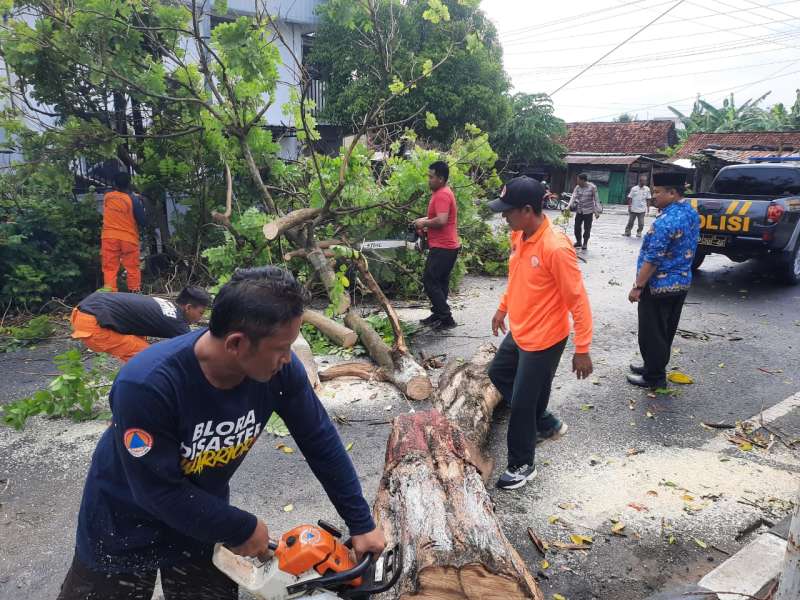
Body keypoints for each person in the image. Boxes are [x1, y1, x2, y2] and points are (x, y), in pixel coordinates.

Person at [57, 267, 386, 600]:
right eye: (281, 348)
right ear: (237, 344)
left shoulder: (280, 373)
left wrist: (361, 523)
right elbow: (157, 491)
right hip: (122, 525)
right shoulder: (147, 384)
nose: (288, 359)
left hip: (202, 519)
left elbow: (320, 441)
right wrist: (241, 528)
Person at [486, 177, 594, 490]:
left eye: (509, 211)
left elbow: (578, 300)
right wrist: (502, 308)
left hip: (545, 338)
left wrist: (583, 348)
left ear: (528, 210)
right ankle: (545, 422)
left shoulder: (556, 248)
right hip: (521, 329)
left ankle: (522, 464)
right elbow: (517, 278)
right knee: (499, 373)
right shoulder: (519, 236)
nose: (504, 216)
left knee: (520, 404)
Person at [627, 172, 700, 389]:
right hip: (681, 282)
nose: (653, 196)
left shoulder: (667, 220)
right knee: (665, 330)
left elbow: (653, 258)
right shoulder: (690, 212)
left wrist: (638, 286)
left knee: (652, 333)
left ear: (672, 192)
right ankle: (652, 366)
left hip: (659, 285)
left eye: (658, 192)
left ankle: (654, 377)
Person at [70, 286, 211, 362]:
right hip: (92, 323)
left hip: (83, 309)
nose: (201, 318)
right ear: (188, 307)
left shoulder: (166, 304)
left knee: (140, 345)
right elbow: (197, 352)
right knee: (150, 360)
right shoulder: (176, 322)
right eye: (200, 313)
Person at [414, 160, 460, 329]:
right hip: (446, 246)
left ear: (440, 178)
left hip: (444, 247)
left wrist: (424, 224)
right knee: (440, 282)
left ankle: (446, 317)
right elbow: (441, 217)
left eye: (431, 177)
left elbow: (441, 221)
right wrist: (422, 221)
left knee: (430, 280)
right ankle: (439, 314)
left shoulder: (442, 194)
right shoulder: (442, 192)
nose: (428, 179)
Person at [102, 171, 146, 292]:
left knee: (109, 268)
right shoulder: (133, 200)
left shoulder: (107, 197)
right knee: (132, 267)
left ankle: (110, 296)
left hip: (109, 237)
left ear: (115, 184)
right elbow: (143, 221)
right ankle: (135, 293)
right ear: (129, 183)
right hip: (128, 238)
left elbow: (116, 195)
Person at [569, 173, 602, 250]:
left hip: (589, 211)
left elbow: (596, 199)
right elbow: (573, 197)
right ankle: (578, 242)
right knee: (576, 227)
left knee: (587, 228)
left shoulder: (592, 187)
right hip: (579, 210)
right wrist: (568, 206)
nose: (577, 182)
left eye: (578, 180)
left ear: (583, 180)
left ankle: (585, 243)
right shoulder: (577, 187)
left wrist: (597, 211)